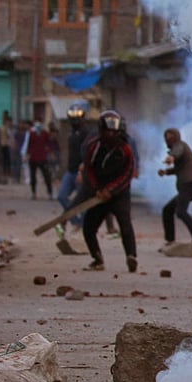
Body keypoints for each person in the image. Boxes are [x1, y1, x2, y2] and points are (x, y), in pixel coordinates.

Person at [79, 110, 138, 272]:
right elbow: (89, 170)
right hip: (99, 193)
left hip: (120, 193)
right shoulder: (94, 146)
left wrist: (111, 191)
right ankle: (97, 259)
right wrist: (98, 189)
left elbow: (128, 173)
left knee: (125, 223)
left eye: (114, 131)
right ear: (101, 130)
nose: (110, 135)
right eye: (107, 131)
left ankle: (131, 256)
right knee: (89, 227)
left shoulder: (125, 149)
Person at [158, 127, 192, 249]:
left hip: (189, 185)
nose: (169, 140)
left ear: (176, 137)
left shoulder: (180, 145)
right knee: (167, 210)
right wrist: (166, 172)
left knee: (181, 211)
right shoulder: (180, 150)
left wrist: (171, 157)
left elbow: (177, 152)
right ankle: (170, 241)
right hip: (189, 186)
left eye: (171, 137)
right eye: (167, 138)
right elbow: (178, 168)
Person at [56, 103, 90, 232]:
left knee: (82, 203)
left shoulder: (86, 134)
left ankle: (82, 226)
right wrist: (60, 175)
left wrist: (82, 172)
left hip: (81, 172)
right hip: (70, 172)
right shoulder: (71, 133)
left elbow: (87, 154)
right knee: (62, 197)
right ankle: (76, 222)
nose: (75, 119)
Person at [21, 120, 53, 200]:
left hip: (42, 157)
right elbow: (29, 145)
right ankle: (34, 193)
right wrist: (27, 156)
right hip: (33, 158)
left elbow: (49, 143)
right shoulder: (32, 133)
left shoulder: (45, 133)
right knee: (33, 176)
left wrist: (51, 153)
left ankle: (50, 193)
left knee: (46, 176)